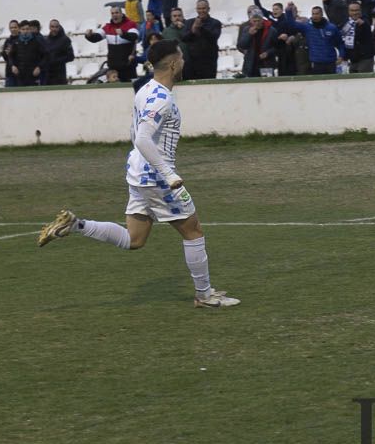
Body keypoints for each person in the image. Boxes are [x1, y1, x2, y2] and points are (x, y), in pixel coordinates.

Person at [37, 40, 239, 308]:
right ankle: (204, 295)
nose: (184, 63)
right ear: (173, 63)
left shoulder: (146, 90)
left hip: (138, 171)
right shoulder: (161, 99)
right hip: (156, 176)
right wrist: (168, 174)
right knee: (193, 231)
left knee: (135, 239)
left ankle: (76, 225)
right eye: (181, 58)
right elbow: (143, 138)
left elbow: (135, 134)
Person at [85, 6, 140, 82]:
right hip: (113, 66)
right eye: (112, 13)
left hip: (128, 66)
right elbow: (96, 38)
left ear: (121, 14)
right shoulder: (107, 27)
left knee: (130, 88)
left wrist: (123, 34)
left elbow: (134, 36)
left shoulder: (130, 24)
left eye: (117, 13)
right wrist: (89, 36)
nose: (114, 15)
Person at [285, 5, 343, 75]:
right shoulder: (307, 27)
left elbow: (340, 43)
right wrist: (288, 10)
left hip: (331, 62)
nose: (314, 16)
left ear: (321, 14)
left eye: (317, 14)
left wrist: (341, 55)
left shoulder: (331, 28)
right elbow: (292, 24)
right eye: (313, 14)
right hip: (316, 63)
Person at [180, 0, 222, 81]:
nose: (201, 11)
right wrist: (192, 30)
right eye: (199, 8)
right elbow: (184, 38)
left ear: (208, 9)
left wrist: (201, 28)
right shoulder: (189, 22)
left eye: (204, 8)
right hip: (191, 62)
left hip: (208, 62)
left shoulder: (215, 23)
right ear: (196, 9)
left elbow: (214, 37)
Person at [237, 6, 276, 77]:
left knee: (267, 85)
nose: (257, 23)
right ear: (251, 20)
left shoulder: (271, 30)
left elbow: (277, 47)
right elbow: (241, 45)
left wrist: (268, 53)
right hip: (251, 64)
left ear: (262, 19)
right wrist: (249, 35)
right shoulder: (246, 29)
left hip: (266, 64)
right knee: (251, 85)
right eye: (254, 21)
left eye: (258, 20)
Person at [340, 2, 375, 73]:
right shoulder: (346, 22)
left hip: (365, 58)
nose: (355, 13)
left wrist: (363, 25)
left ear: (360, 11)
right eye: (352, 10)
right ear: (348, 11)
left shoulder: (365, 21)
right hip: (352, 58)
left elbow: (367, 29)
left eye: (357, 10)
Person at [11, 19, 48, 86]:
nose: (25, 31)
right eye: (23, 29)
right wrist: (13, 66)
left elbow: (45, 56)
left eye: (27, 29)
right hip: (20, 76)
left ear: (30, 30)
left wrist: (39, 67)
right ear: (19, 30)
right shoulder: (16, 42)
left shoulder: (37, 42)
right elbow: (10, 56)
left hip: (34, 76)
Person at [42, 19, 74, 85]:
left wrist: (57, 60)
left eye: (56, 27)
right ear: (49, 27)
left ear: (59, 27)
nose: (54, 29)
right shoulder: (46, 40)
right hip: (48, 74)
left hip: (60, 75)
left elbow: (71, 57)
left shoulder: (65, 40)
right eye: (52, 27)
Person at [0, 19, 21, 87]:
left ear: (18, 28)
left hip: (21, 72)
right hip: (10, 72)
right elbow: (5, 57)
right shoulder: (8, 41)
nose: (13, 29)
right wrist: (5, 53)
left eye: (15, 27)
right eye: (11, 28)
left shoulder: (22, 40)